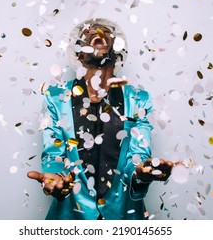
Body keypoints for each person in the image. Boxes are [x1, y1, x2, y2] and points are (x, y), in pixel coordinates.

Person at [27, 18, 174, 220]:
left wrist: (141, 173)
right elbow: (54, 153)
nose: (98, 33)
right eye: (88, 32)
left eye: (105, 31)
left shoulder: (139, 99)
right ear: (78, 51)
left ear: (116, 47)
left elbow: (138, 157)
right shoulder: (55, 97)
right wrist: (55, 177)